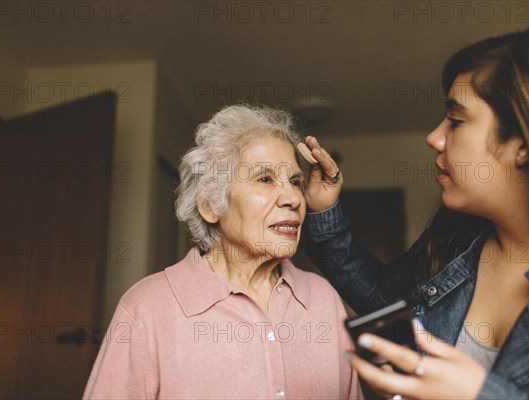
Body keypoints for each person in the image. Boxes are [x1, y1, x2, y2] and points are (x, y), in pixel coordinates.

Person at [300, 27, 529, 399]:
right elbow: (383, 301)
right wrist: (325, 212)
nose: (434, 138)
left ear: (524, 144)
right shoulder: (454, 242)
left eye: (456, 120)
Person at [83, 105, 362, 399]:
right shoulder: (147, 308)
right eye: (265, 179)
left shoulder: (322, 299)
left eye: (295, 182)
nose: (293, 198)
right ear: (211, 205)